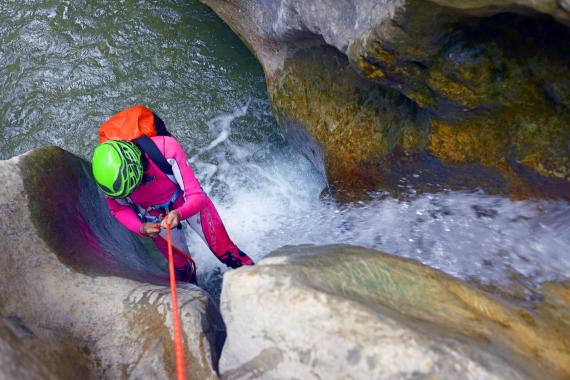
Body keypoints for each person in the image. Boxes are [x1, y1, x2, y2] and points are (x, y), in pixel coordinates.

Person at [91, 106, 254, 284]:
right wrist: (141, 227)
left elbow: (196, 196)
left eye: (134, 187)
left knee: (227, 253)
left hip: (184, 200)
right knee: (183, 271)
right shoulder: (110, 182)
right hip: (153, 215)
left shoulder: (166, 149)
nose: (131, 194)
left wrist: (179, 213)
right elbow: (119, 209)